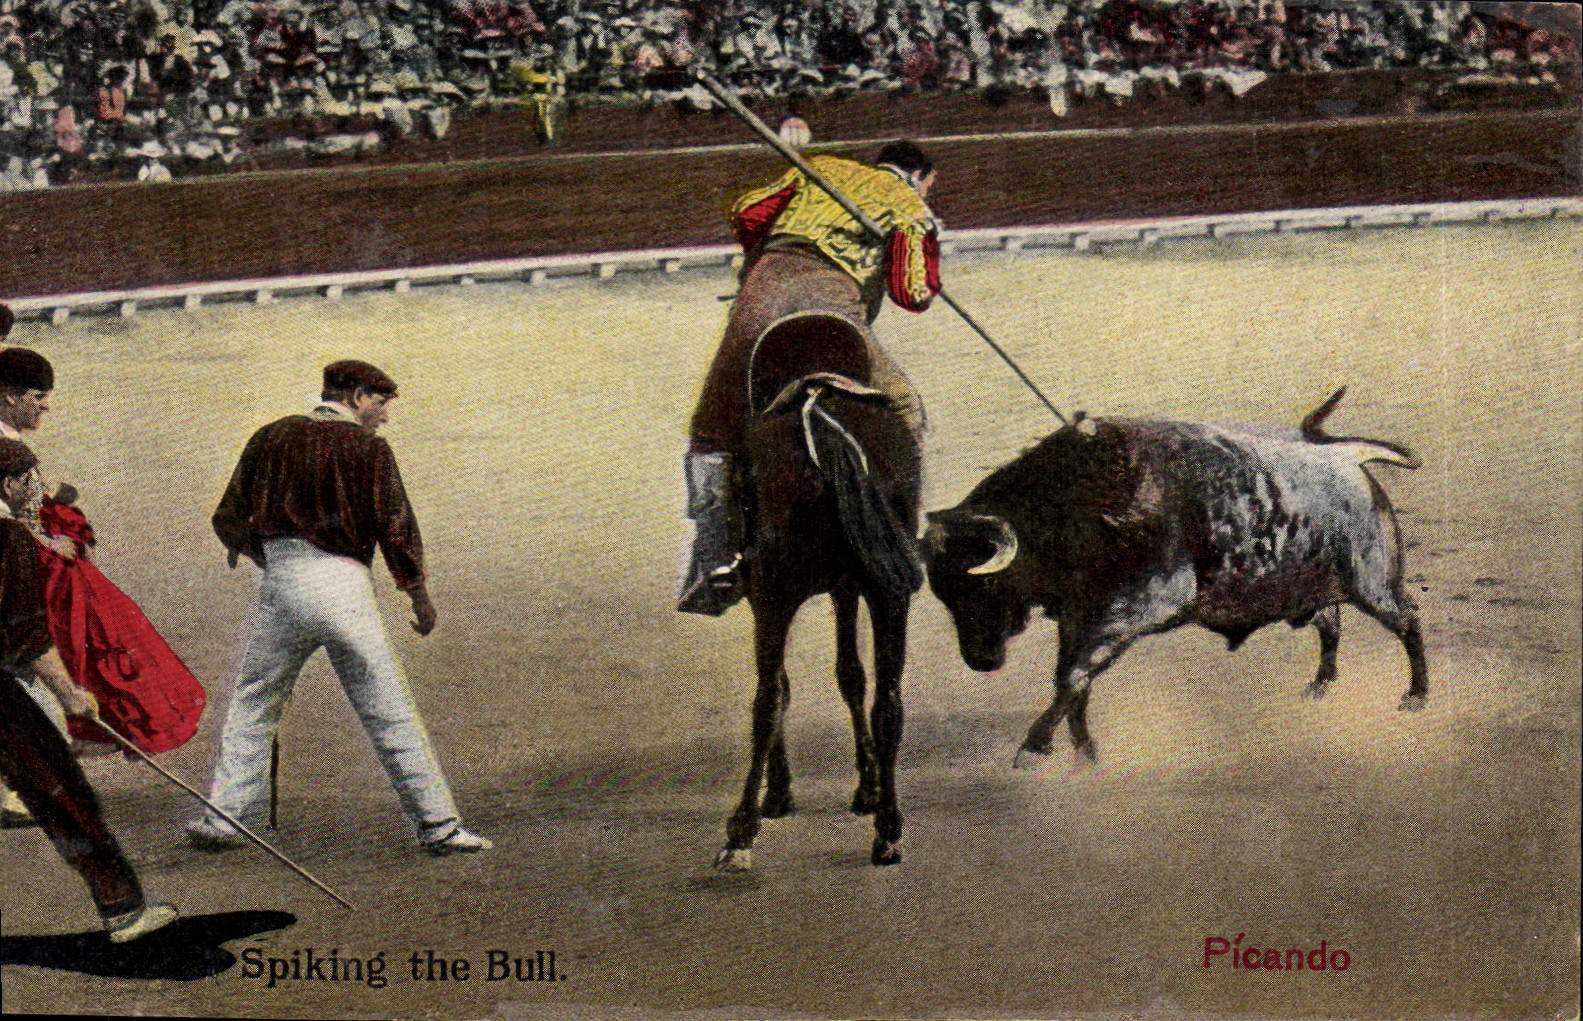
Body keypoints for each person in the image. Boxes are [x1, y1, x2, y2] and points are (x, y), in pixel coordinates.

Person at [190, 360, 489, 855]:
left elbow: (227, 517)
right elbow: (396, 526)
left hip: (281, 582)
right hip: (345, 585)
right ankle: (439, 826)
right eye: (379, 403)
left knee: (253, 701)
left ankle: (223, 819)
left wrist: (272, 560)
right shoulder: (369, 449)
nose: (384, 417)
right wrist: (418, 594)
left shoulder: (271, 434)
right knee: (388, 707)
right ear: (353, 396)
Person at [678, 140, 943, 615]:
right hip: (832, 302)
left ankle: (712, 555)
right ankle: (909, 526)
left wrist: (788, 243)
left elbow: (748, 213)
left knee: (712, 425)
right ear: (921, 176)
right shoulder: (911, 205)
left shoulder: (819, 168)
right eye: (930, 186)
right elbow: (912, 291)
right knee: (903, 405)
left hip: (764, 293)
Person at [0, 438, 179, 943]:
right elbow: (29, 635)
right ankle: (123, 911)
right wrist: (69, 694)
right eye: (28, 481)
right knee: (62, 790)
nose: (34, 490)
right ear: (10, 484)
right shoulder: (9, 537)